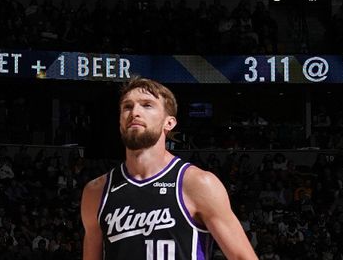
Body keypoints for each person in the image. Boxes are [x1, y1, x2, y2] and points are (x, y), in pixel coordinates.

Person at [81, 77, 258, 260]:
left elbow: (242, 256)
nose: (135, 112)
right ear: (119, 123)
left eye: (147, 105)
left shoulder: (198, 183)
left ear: (169, 123)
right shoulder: (96, 192)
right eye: (127, 106)